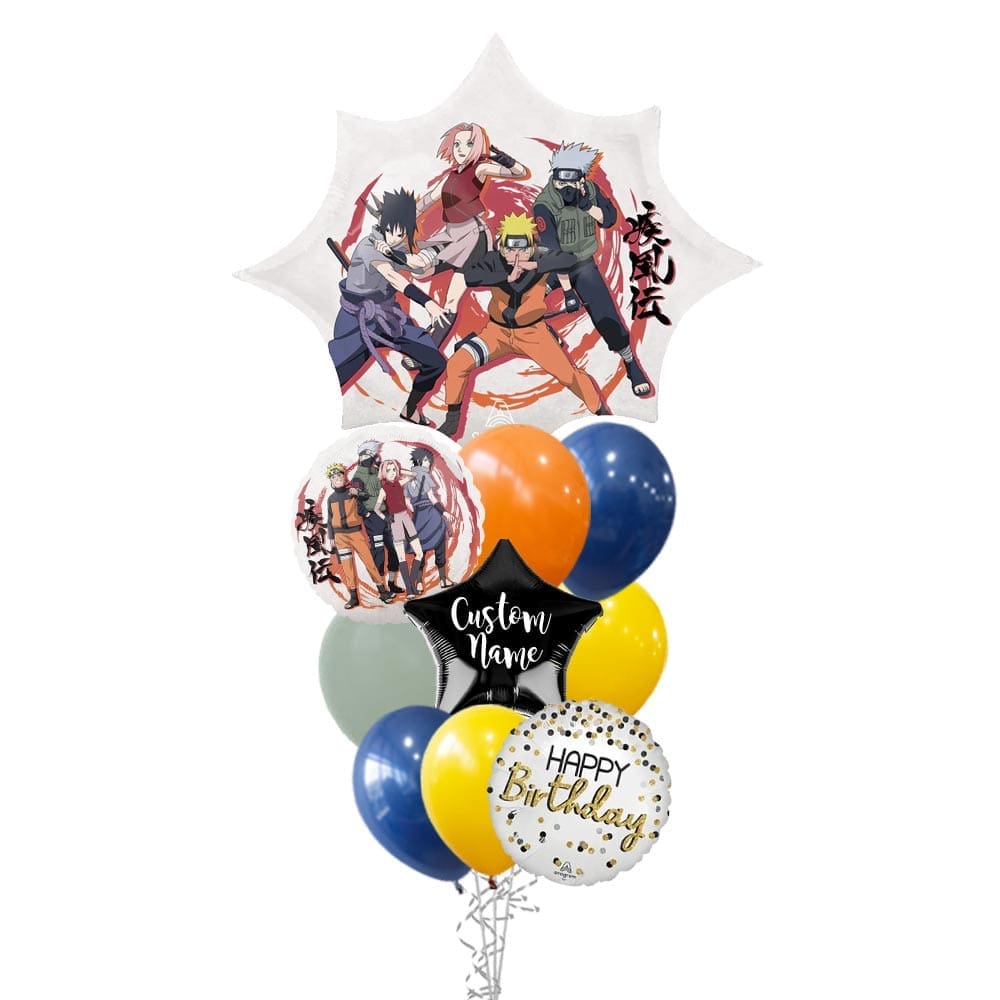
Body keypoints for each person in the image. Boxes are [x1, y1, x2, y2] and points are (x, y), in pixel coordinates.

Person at [437, 213, 609, 439]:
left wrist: (535, 265)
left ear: (532, 245)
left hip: (533, 333)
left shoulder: (540, 257)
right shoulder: (493, 260)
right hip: (496, 333)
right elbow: (470, 275)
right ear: (501, 245)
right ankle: (451, 420)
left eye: (522, 246)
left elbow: (568, 259)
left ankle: (602, 414)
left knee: (568, 375)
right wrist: (505, 277)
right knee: (458, 363)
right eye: (510, 247)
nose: (516, 253)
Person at [532, 142, 651, 398]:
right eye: (559, 181)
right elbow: (554, 253)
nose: (564, 187)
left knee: (606, 315)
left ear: (582, 179)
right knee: (523, 303)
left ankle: (630, 363)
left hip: (584, 264)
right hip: (553, 266)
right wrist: (567, 292)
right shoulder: (544, 204)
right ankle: (543, 334)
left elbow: (610, 220)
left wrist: (588, 206)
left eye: (571, 181)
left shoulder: (592, 191)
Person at [328, 188, 447, 426]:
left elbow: (416, 263)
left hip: (389, 317)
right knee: (332, 377)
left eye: (401, 233)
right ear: (382, 223)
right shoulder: (369, 247)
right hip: (356, 322)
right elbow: (395, 279)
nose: (394, 237)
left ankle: (410, 409)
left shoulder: (395, 245)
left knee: (435, 362)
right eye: (391, 231)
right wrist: (428, 303)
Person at [411, 122, 528, 345]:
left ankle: (429, 349)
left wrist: (503, 158)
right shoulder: (450, 177)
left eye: (468, 144)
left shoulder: (480, 169)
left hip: (473, 238)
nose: (461, 149)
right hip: (451, 235)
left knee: (452, 298)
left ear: (477, 147)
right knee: (419, 271)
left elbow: (520, 172)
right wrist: (401, 216)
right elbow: (427, 200)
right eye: (457, 144)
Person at [324, 464, 394, 610]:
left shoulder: (352, 492)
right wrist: (331, 537)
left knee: (369, 561)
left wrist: (358, 492)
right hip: (340, 537)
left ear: (345, 477)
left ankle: (382, 591)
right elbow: (330, 519)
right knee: (347, 566)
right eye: (334, 477)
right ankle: (353, 597)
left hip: (355, 533)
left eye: (340, 475)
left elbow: (366, 496)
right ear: (331, 481)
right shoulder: (330, 499)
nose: (337, 478)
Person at [350, 440, 405, 596]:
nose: (371, 457)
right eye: (369, 455)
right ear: (361, 456)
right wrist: (366, 514)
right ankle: (381, 588)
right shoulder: (357, 476)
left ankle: (392, 583)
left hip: (385, 515)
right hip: (372, 518)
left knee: (394, 549)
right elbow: (355, 499)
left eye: (373, 454)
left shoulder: (376, 470)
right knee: (378, 551)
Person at [406, 447, 456, 590]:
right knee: (439, 545)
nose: (428, 463)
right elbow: (432, 498)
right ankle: (443, 580)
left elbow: (406, 501)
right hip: (432, 515)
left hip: (418, 517)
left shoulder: (408, 480)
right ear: (419, 461)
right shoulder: (425, 476)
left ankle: (419, 583)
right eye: (426, 460)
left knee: (419, 549)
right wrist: (444, 512)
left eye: (429, 461)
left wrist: (416, 510)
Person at [373, 459, 424, 598]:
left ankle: (411, 586)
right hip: (395, 522)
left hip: (406, 519)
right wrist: (385, 518)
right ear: (383, 472)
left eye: (393, 470)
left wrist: (399, 470)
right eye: (388, 470)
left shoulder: (400, 483)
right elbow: (376, 509)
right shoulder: (383, 490)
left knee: (419, 553)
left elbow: (414, 475)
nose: (391, 473)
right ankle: (410, 590)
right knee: (401, 557)